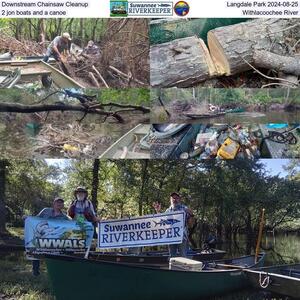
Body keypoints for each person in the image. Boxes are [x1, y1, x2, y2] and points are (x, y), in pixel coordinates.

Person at [32, 197, 69, 276]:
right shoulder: (45, 211)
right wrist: (27, 218)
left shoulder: (65, 217)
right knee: (36, 252)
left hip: (55, 240)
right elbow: (36, 219)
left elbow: (72, 226)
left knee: (55, 255)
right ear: (53, 203)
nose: (59, 204)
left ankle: (54, 272)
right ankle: (35, 272)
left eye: (61, 202)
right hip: (42, 237)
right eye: (57, 202)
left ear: (63, 205)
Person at [153, 192, 194, 257]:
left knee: (183, 256)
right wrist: (158, 211)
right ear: (170, 200)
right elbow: (162, 222)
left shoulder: (185, 209)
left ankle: (183, 267)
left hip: (182, 237)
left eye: (176, 198)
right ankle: (173, 267)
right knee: (172, 256)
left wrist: (191, 215)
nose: (175, 200)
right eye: (173, 198)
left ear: (179, 199)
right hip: (171, 237)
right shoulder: (168, 210)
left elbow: (190, 225)